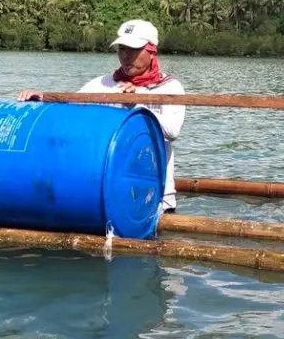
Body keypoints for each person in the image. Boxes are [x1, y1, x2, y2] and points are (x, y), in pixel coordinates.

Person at [18, 19, 185, 213]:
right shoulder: (103, 84)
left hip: (156, 195)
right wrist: (43, 98)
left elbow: (172, 131)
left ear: (151, 51)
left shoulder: (169, 87)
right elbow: (72, 106)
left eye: (133, 49)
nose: (126, 55)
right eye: (122, 48)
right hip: (109, 192)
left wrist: (137, 105)